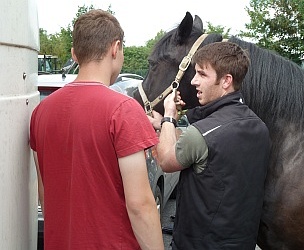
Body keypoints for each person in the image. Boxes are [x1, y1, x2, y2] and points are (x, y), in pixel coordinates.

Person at [29, 10, 164, 250]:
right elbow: (140, 205)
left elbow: (44, 193)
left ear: (74, 54)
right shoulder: (123, 110)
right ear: (116, 48)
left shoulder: (41, 112)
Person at [148, 42, 270, 249]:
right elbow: (205, 156)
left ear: (226, 81)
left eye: (202, 75)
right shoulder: (259, 127)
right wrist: (165, 125)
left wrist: (169, 116)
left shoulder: (204, 133)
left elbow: (168, 161)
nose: (194, 81)